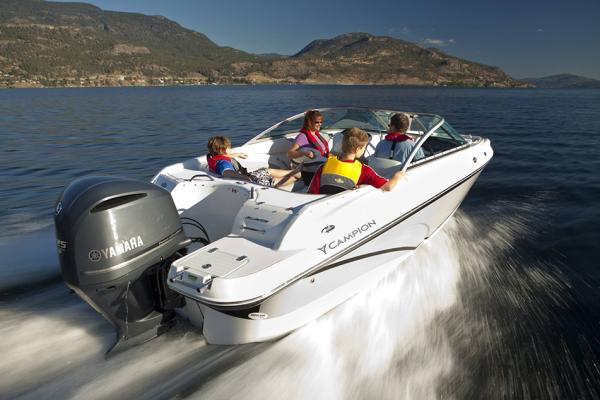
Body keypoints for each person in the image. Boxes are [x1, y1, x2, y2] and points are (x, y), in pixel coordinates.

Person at [308, 127, 406, 195]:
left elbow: (312, 192)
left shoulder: (324, 166)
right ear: (358, 149)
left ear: (343, 144)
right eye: (364, 147)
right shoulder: (363, 170)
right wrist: (397, 175)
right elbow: (388, 187)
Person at [206, 136, 299, 187]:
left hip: (250, 176)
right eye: (229, 148)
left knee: (267, 170)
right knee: (275, 181)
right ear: (224, 150)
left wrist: (236, 154)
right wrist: (245, 178)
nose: (230, 150)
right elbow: (227, 172)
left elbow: (223, 157)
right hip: (250, 181)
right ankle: (297, 176)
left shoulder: (214, 157)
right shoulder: (223, 163)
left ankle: (295, 172)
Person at [287, 110, 330, 185]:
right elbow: (290, 153)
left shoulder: (317, 135)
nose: (319, 124)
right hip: (311, 170)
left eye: (321, 122)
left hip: (322, 166)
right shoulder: (302, 137)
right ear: (309, 122)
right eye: (317, 122)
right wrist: (304, 153)